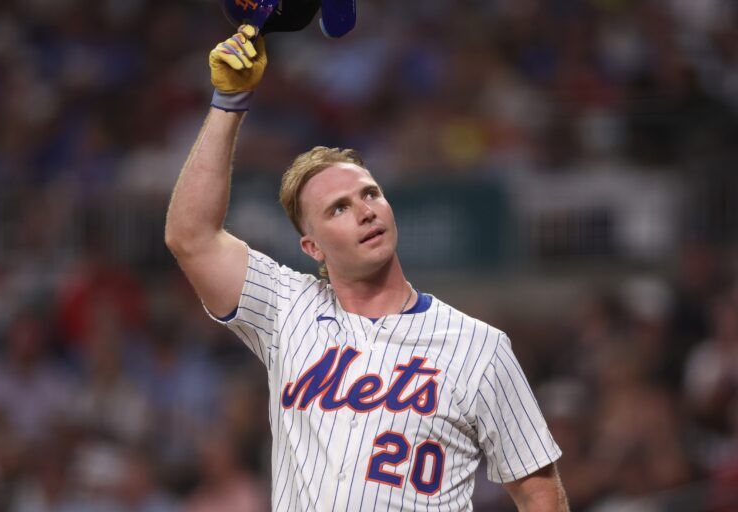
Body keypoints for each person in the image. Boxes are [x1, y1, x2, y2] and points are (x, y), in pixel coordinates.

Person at [165, 25, 569, 511]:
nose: (365, 211)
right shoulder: (286, 309)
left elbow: (540, 493)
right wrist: (228, 105)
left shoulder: (478, 347)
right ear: (311, 247)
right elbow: (190, 237)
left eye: (370, 194)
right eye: (339, 208)